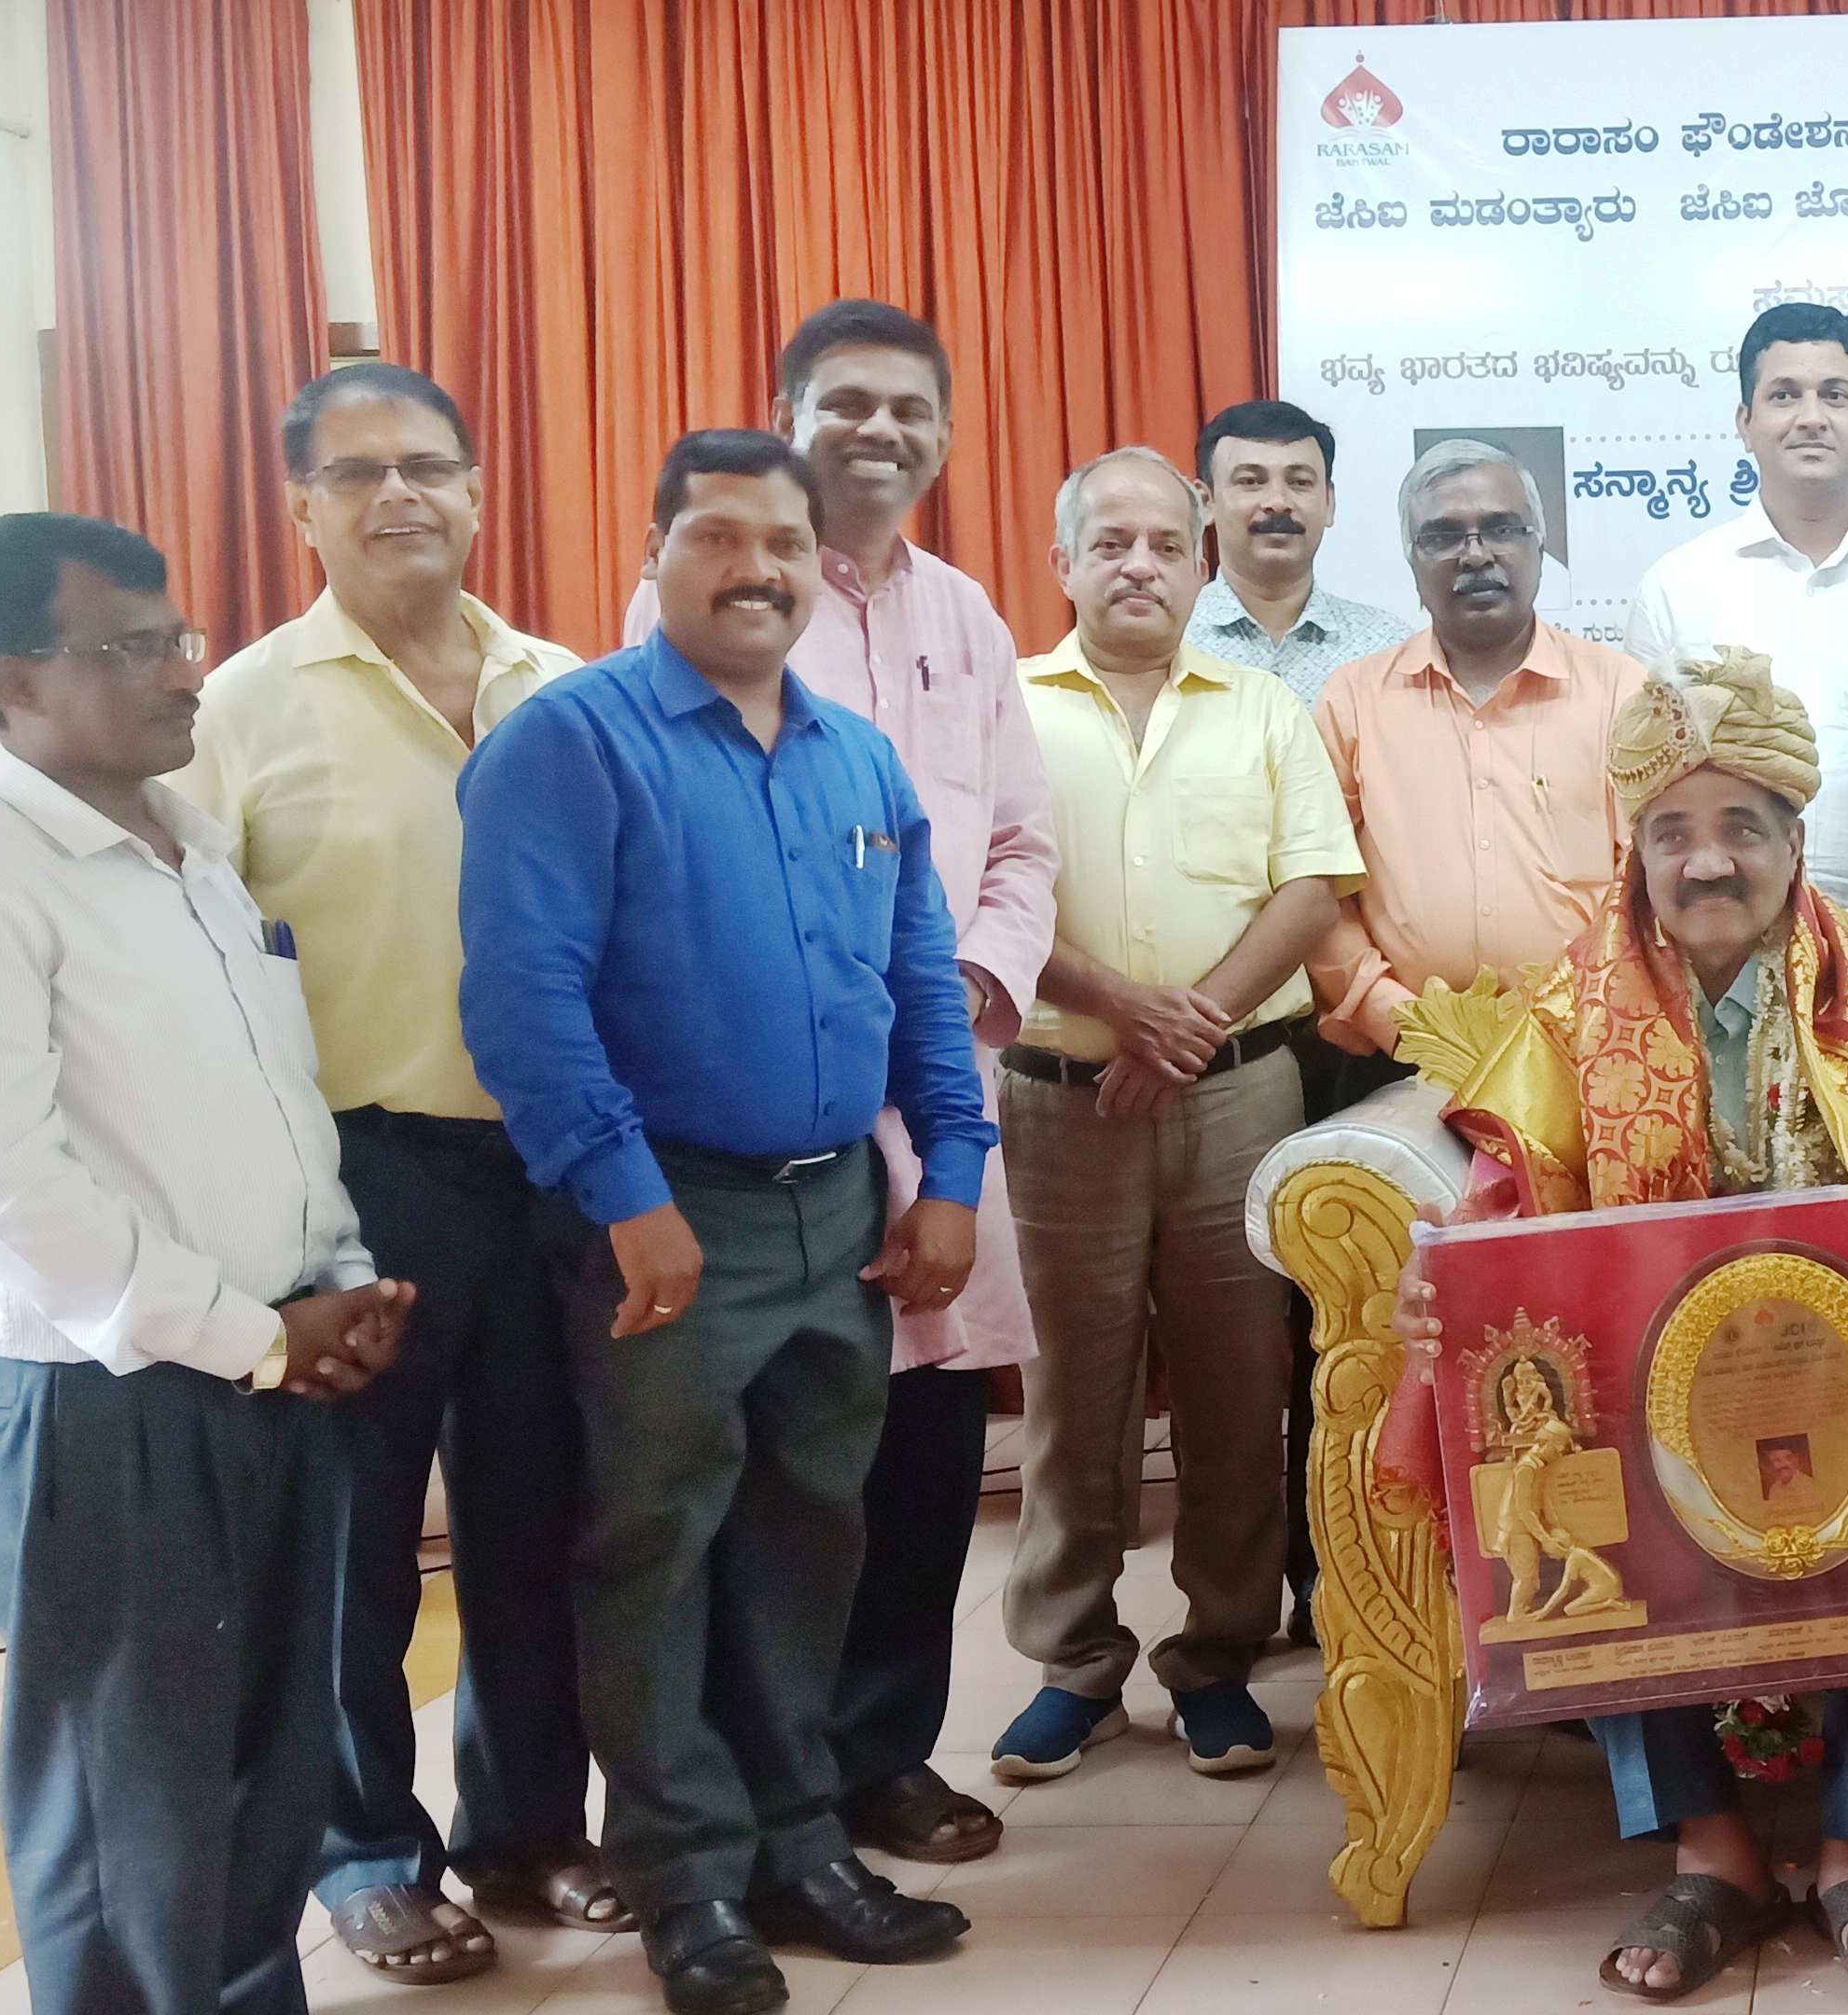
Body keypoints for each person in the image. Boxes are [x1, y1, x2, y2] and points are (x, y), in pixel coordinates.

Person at [1383, 653, 1848, 2004]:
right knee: (1571, 1481)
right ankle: (1711, 1849)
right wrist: (1441, 1292)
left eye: (1741, 827)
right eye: (1672, 831)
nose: (1707, 860)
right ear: (1637, 853)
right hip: (1652, 1385)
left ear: (1796, 842)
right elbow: (1506, 1212)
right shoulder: (1572, 1013)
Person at [0, 510, 416, 2015]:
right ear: (15, 680)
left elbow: (276, 1103)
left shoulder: (193, 853)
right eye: (131, 646)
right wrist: (256, 1333)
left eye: (181, 637)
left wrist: (335, 1282)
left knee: (262, 1773)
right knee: (130, 1810)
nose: (183, 672)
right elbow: (3, 1183)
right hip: (105, 1404)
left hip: (260, 1375)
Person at [463, 431, 985, 2013]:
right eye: (717, 536)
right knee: (656, 1547)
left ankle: (796, 1846)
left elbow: (920, 982)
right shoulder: (571, 744)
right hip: (667, 1215)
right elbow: (524, 998)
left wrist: (952, 1173)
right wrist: (627, 1198)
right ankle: (684, 1879)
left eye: (785, 543)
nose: (756, 569)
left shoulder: (856, 760)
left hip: (838, 1212)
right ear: (653, 551)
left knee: (808, 1539)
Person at [172, 364, 617, 1982]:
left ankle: (530, 1828)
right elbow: (191, 968)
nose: (398, 495)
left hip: (555, 1166)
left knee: (540, 1519)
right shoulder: (239, 710)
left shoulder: (565, 688)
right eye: (355, 473)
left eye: (426, 465)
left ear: (480, 491)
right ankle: (366, 1849)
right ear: (301, 506)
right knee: (355, 1540)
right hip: (356, 1175)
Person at [624, 299, 1055, 1869]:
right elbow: (668, 859)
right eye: (847, 402)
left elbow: (1020, 842)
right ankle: (754, 1781)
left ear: (944, 435)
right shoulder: (704, 600)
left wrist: (969, 990)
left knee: (925, 1453)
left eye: (909, 408)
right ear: (790, 413)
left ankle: (882, 1759)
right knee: (770, 1468)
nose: (880, 430)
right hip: (761, 1115)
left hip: (938, 1093)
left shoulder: (968, 614)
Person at [988, 448, 1361, 1783]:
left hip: (1239, 1094)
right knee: (1071, 1393)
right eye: (1112, 543)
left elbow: (1313, 887)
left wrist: (1185, 1024)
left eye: (1163, 544)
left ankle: (1216, 1657)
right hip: (1058, 1103)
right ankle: (1074, 1665)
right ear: (1063, 564)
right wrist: (1121, 1010)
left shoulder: (1263, 710)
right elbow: (980, 889)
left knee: (1237, 1386)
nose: (1139, 565)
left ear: (1200, 566)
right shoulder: (1003, 708)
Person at [1626, 302, 1848, 905]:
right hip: (1720, 928)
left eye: (1835, 396)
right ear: (1746, 422)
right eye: (1784, 395)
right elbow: (1644, 783)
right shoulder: (1677, 587)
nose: (1811, 418)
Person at [1306, 438, 1650, 1059]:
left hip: (1589, 1045)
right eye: (1443, 536)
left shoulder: (1621, 692)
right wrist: (1395, 1019)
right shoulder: (1353, 701)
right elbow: (1319, 887)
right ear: (1412, 559)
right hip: (1402, 1053)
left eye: (1502, 528)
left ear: (1540, 544)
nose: (1475, 554)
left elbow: (1651, 879)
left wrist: (1586, 1010)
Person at [1189, 398, 1417, 699]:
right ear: (1206, 503)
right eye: (1251, 481)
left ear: (1329, 502)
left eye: (1299, 482)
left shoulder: (1389, 648)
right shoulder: (1169, 639)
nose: (1278, 502)